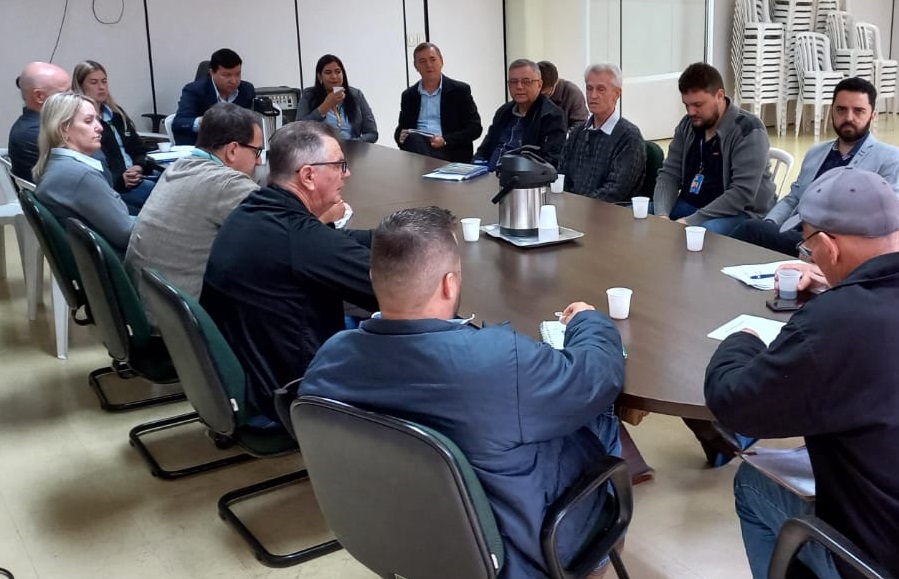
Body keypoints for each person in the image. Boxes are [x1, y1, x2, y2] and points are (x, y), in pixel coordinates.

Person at [706, 167, 899, 579]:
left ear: (828, 246)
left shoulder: (837, 322)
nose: (811, 257)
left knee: (751, 484)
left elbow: (735, 404)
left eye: (808, 246)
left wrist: (742, 340)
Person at [300, 206, 624, 579]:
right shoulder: (497, 362)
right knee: (602, 419)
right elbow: (599, 377)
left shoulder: (331, 359)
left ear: (375, 278)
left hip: (398, 534)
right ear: (449, 284)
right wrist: (589, 321)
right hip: (514, 555)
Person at [201, 121, 378, 425]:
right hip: (289, 395)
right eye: (339, 165)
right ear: (309, 175)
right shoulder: (298, 238)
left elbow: (333, 243)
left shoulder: (255, 209)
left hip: (250, 372)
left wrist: (402, 234)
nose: (346, 173)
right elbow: (394, 289)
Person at [728, 77, 899, 255]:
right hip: (796, 234)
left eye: (859, 111)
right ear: (831, 111)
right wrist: (770, 224)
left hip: (837, 247)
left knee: (750, 230)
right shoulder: (816, 153)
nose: (849, 117)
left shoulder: (890, 158)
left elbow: (885, 216)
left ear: (873, 115)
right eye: (841, 109)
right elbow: (793, 198)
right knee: (755, 234)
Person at [125, 103, 263, 298]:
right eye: (256, 151)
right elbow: (285, 236)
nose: (259, 161)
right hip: (178, 319)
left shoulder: (177, 167)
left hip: (147, 302)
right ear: (232, 150)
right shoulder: (227, 183)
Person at [653, 62, 775, 235]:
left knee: (704, 235)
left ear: (719, 96)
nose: (691, 112)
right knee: (639, 216)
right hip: (691, 204)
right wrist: (662, 215)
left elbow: (741, 193)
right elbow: (669, 174)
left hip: (739, 212)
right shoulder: (687, 125)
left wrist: (689, 221)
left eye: (698, 104)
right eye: (686, 105)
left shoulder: (748, 130)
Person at [33, 92, 132, 255]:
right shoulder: (81, 176)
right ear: (63, 129)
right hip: (126, 264)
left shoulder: (56, 165)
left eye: (97, 119)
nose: (99, 127)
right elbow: (127, 235)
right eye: (88, 121)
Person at [72, 60, 157, 213]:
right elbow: (92, 166)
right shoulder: (81, 124)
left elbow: (138, 148)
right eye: (94, 82)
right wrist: (121, 179)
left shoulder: (117, 115)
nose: (101, 87)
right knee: (166, 198)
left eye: (104, 81)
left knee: (176, 183)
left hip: (139, 176)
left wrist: (138, 166)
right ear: (80, 85)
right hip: (115, 188)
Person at [557, 63, 646, 204]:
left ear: (617, 94)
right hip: (572, 210)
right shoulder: (577, 133)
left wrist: (578, 205)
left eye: (601, 89)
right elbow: (562, 175)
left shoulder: (629, 137)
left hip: (608, 215)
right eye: (589, 88)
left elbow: (616, 190)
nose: (593, 95)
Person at [394, 42, 483, 162]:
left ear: (441, 61)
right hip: (417, 147)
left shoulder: (460, 91)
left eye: (432, 59)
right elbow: (401, 129)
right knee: (414, 139)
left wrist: (445, 140)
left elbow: (475, 128)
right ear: (416, 66)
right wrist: (401, 136)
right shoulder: (409, 95)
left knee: (416, 148)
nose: (428, 65)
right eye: (422, 61)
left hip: (449, 151)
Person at [474, 59, 566, 170]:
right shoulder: (504, 111)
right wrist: (474, 168)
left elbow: (549, 162)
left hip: (519, 180)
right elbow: (485, 149)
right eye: (513, 82)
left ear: (539, 85)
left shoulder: (551, 115)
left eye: (526, 81)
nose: (519, 86)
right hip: (488, 176)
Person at [171, 48, 256, 146]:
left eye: (237, 74)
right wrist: (207, 122)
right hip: (203, 149)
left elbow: (252, 122)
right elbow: (179, 123)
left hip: (237, 149)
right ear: (212, 73)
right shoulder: (194, 90)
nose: (234, 80)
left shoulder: (246, 90)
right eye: (226, 75)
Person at [8, 62, 71, 181]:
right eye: (65, 92)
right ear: (39, 96)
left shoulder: (33, 125)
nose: (73, 96)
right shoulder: (37, 132)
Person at [296, 54, 378, 143]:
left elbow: (372, 133)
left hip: (353, 151)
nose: (334, 76)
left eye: (338, 72)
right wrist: (325, 107)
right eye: (328, 72)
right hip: (320, 153)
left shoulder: (356, 95)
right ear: (320, 77)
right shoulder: (309, 96)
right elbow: (298, 131)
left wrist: (352, 144)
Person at [539, 60, 589, 128]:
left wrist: (561, 137)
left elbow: (580, 125)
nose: (541, 97)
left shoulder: (573, 94)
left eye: (546, 94)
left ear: (556, 82)